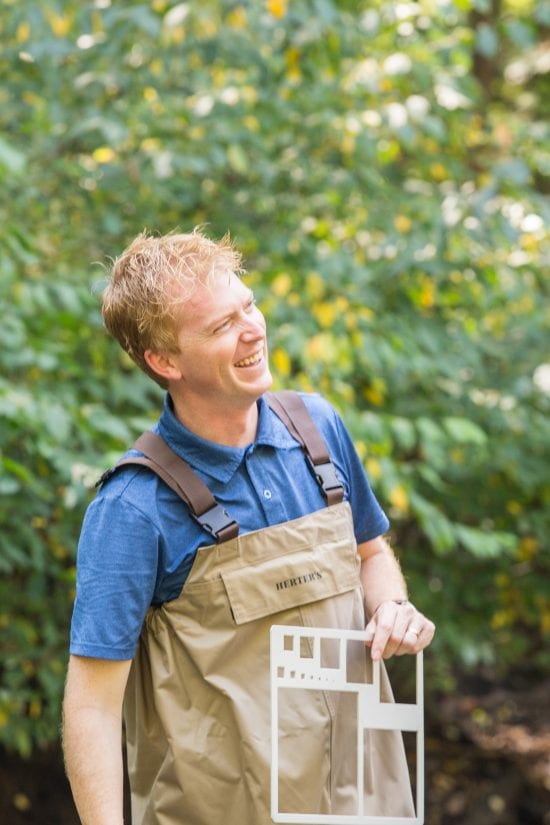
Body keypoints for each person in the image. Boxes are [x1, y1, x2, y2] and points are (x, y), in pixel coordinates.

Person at [62, 228, 435, 825]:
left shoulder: (316, 429)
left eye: (249, 305)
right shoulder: (133, 507)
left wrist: (392, 607)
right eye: (219, 326)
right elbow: (93, 708)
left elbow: (369, 553)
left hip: (366, 801)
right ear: (164, 361)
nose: (254, 329)